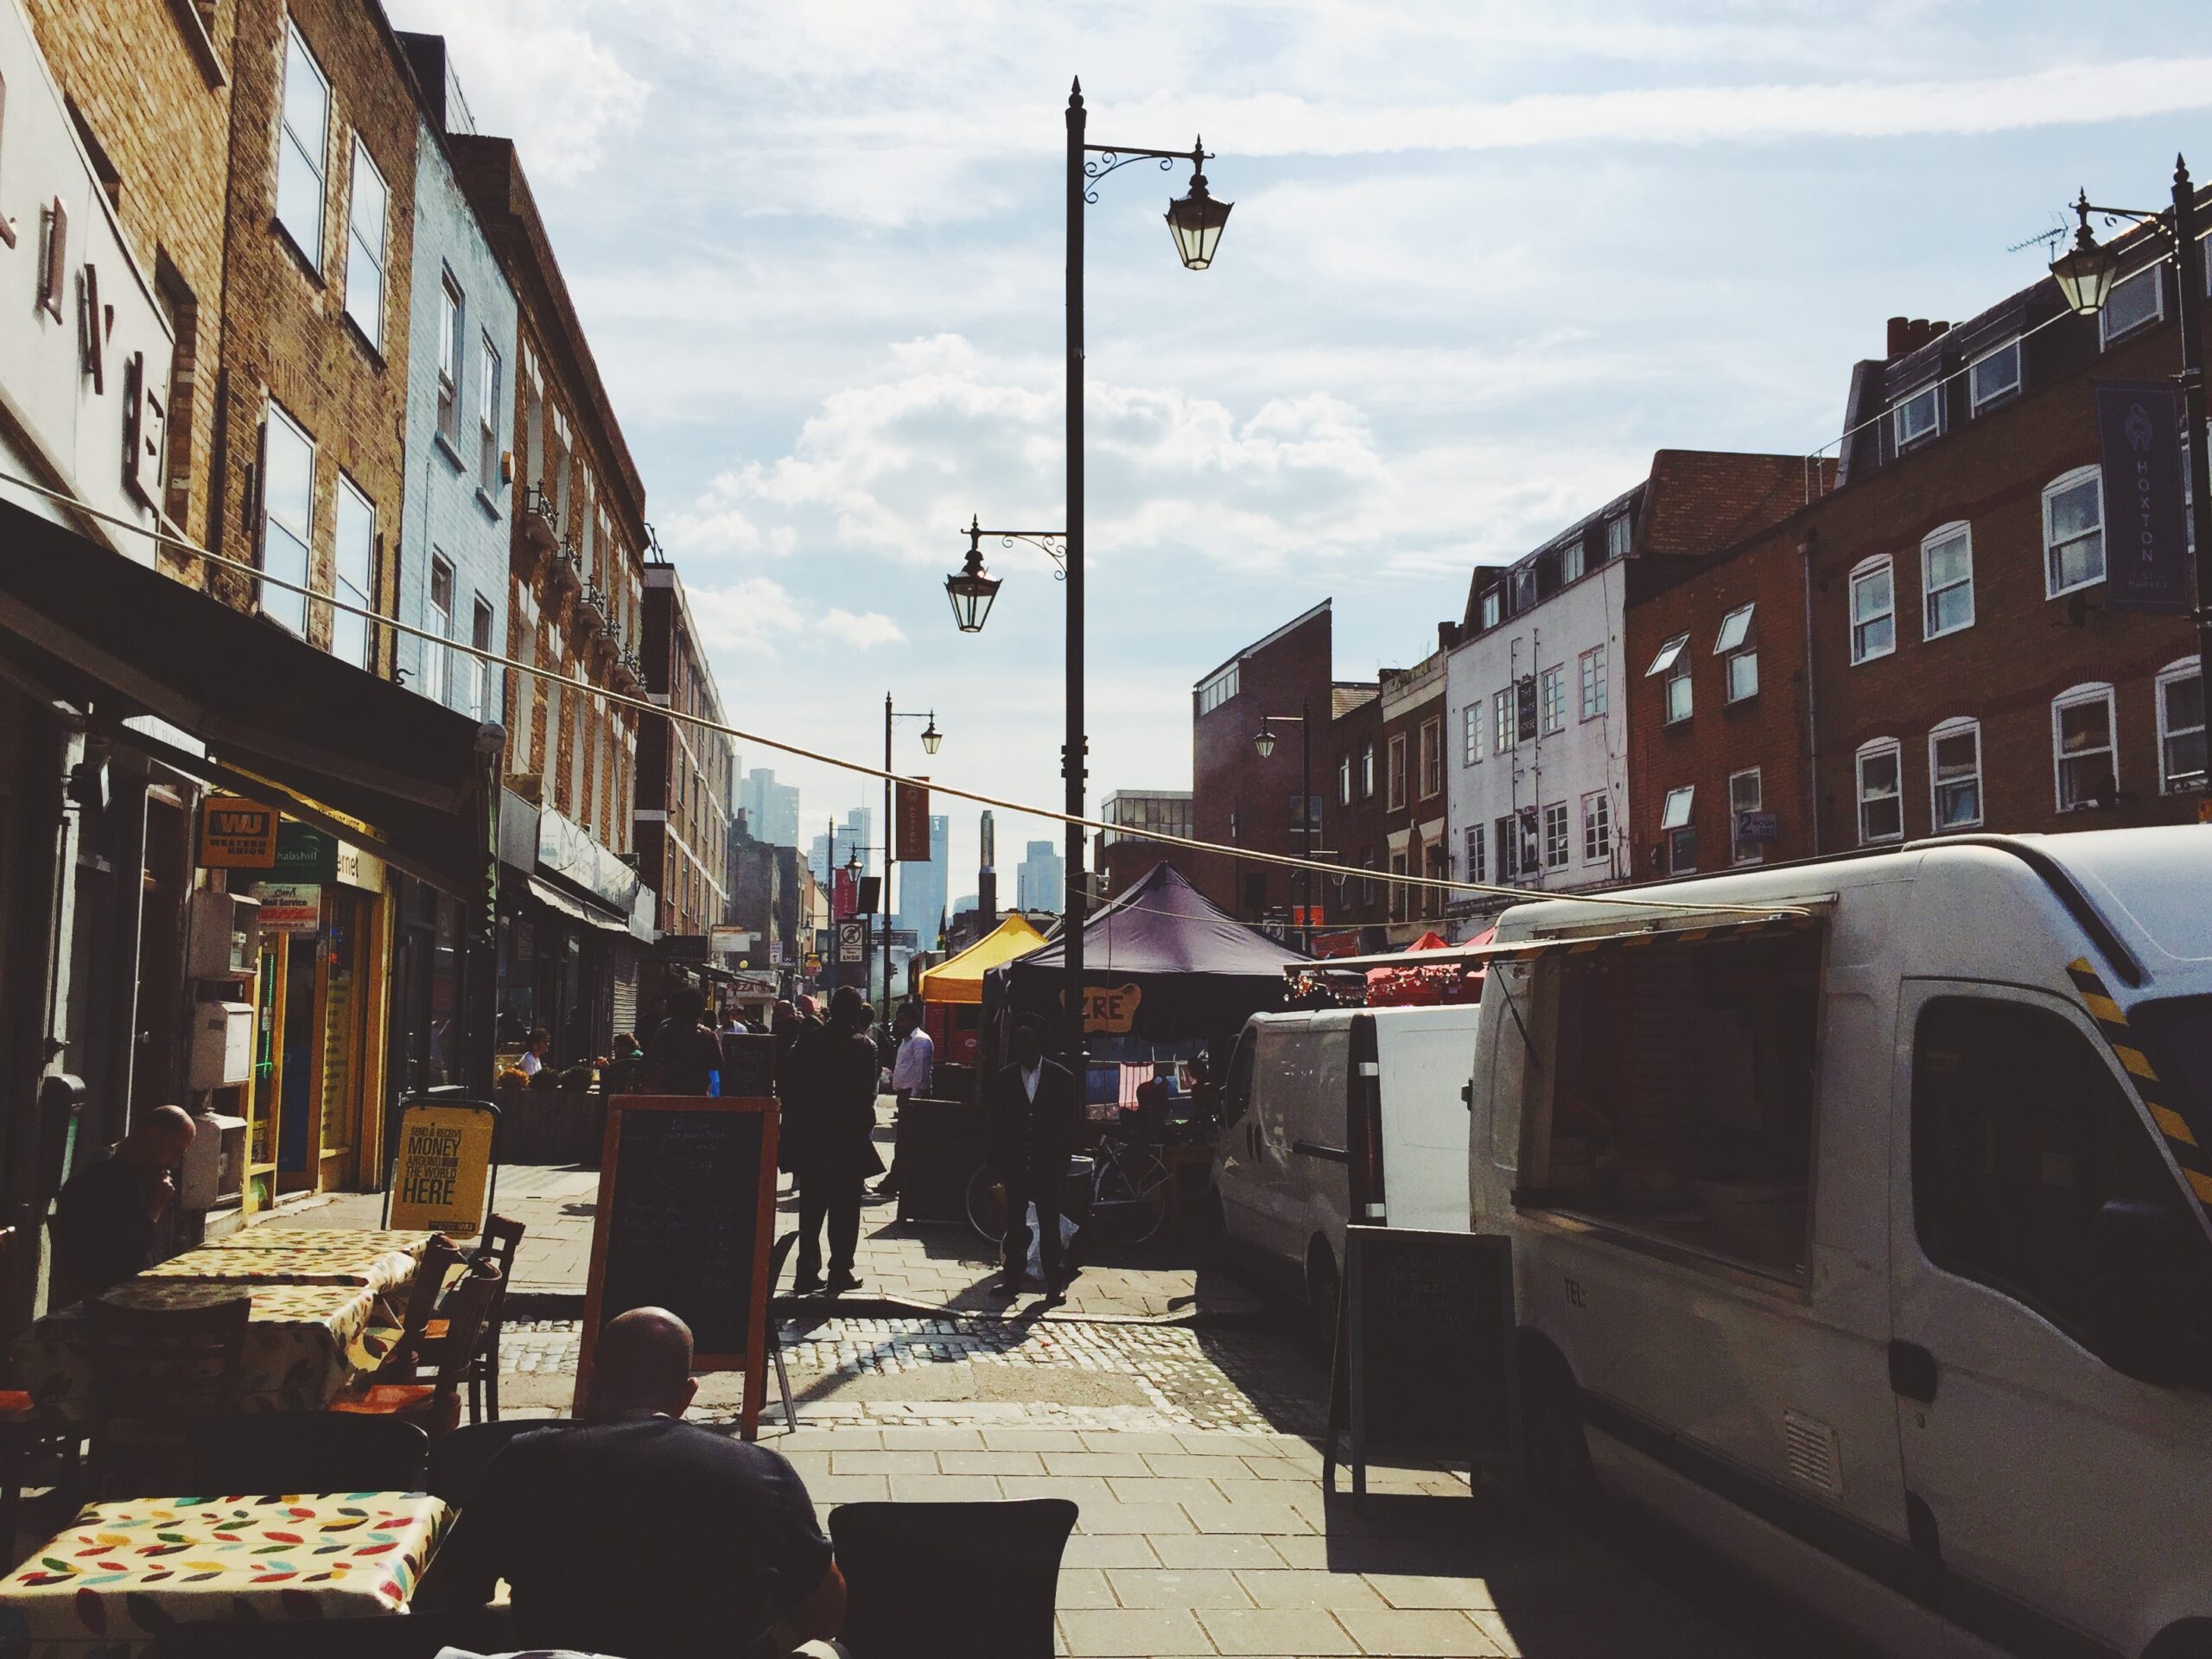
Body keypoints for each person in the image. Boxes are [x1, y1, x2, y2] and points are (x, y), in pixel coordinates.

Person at [418, 1308, 843, 1658]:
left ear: (590, 1381)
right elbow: (823, 1611)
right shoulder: (763, 1472)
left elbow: (447, 1600)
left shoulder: (525, 1461)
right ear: (687, 1394)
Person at [788, 988, 883, 1295]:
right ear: (856, 1013)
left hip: (814, 1137)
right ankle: (840, 1271)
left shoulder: (809, 1042)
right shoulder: (864, 1047)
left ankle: (805, 1273)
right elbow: (867, 1096)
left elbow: (793, 1087)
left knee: (811, 1211)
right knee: (845, 1212)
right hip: (847, 1140)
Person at [984, 1017, 1082, 1301]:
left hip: (1047, 1166)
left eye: (1028, 1042)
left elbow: (1067, 1127)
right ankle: (1012, 1280)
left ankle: (1055, 1284)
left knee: (1049, 1226)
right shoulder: (1004, 1079)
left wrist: (1062, 1167)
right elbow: (997, 1126)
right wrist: (995, 1164)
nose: (1023, 1049)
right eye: (1019, 1044)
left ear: (1038, 1044)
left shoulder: (1062, 1078)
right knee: (1015, 1226)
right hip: (1015, 1165)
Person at [54, 1104, 196, 1297]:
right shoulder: (104, 1177)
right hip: (110, 1297)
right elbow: (126, 1255)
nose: (175, 1162)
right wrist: (156, 1206)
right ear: (152, 1136)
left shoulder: (135, 1171)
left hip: (131, 1289)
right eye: (174, 1150)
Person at [868, 1006, 935, 1201]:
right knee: (903, 1142)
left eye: (903, 1020)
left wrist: (914, 1099)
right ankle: (896, 1181)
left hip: (912, 1096)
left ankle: (897, 1182)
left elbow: (922, 1074)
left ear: (914, 1021)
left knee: (908, 1142)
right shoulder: (907, 1041)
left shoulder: (921, 1041)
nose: (899, 1024)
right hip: (903, 1095)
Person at [646, 982, 725, 1094]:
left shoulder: (666, 1032)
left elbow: (650, 1059)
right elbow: (718, 1063)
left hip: (669, 1092)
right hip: (697, 1093)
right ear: (700, 1010)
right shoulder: (707, 1034)